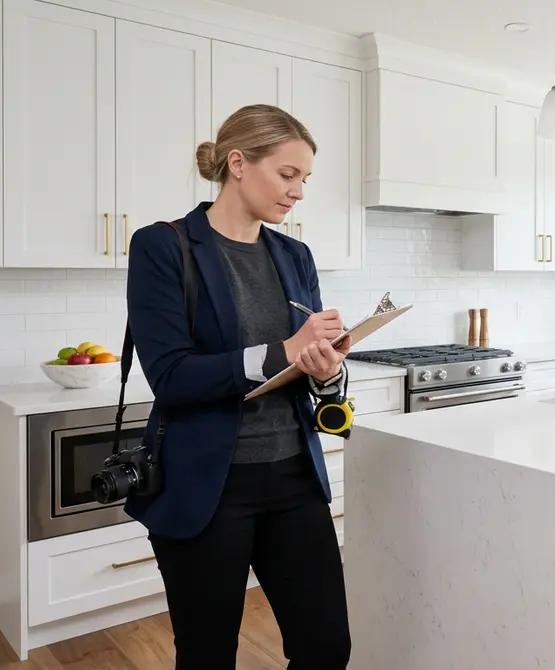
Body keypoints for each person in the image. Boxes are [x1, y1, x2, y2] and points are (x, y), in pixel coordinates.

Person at [125, 103, 352, 668]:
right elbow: (172, 376)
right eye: (288, 174)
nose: (299, 191)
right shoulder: (163, 246)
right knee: (207, 655)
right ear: (238, 163)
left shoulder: (295, 255)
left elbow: (308, 366)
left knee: (327, 647)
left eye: (305, 178)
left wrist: (328, 372)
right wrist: (284, 350)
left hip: (295, 478)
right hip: (208, 488)